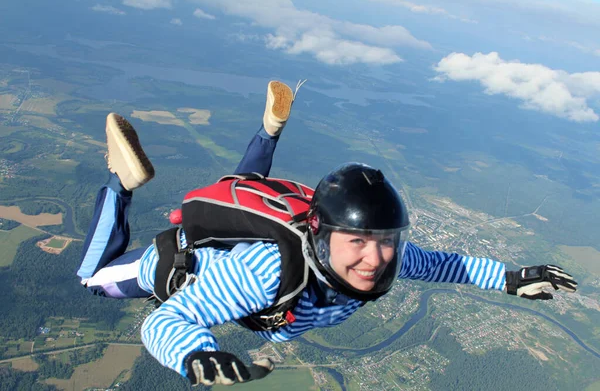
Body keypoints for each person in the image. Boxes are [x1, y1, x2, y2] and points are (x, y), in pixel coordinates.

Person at [77, 80, 577, 387]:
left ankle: (269, 129)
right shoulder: (266, 271)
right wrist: (194, 357)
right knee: (94, 278)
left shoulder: (380, 257)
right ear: (322, 236)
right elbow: (164, 322)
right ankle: (121, 182)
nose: (375, 258)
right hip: (175, 266)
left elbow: (447, 265)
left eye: (384, 240)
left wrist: (511, 278)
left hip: (258, 273)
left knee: (244, 183)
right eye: (357, 241)